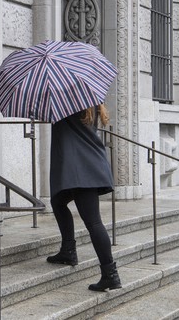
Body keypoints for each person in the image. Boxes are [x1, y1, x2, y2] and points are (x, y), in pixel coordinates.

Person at [46, 104, 122, 292]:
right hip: (87, 163)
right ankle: (68, 251)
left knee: (94, 222)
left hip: (80, 168)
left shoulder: (66, 106)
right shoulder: (91, 104)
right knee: (58, 201)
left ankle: (110, 274)